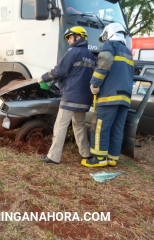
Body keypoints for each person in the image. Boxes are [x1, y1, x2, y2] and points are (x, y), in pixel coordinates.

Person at [38, 26, 96, 164]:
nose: (69, 41)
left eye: (70, 37)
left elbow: (60, 71)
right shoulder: (91, 56)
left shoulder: (72, 51)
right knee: (79, 125)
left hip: (71, 97)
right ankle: (86, 153)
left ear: (79, 37)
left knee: (60, 126)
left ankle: (53, 156)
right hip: (85, 99)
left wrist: (44, 77)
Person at [81, 22, 133, 168]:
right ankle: (112, 158)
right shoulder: (127, 51)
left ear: (109, 33)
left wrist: (95, 83)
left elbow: (104, 63)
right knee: (117, 127)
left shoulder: (110, 45)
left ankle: (99, 158)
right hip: (125, 97)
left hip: (109, 95)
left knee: (100, 126)